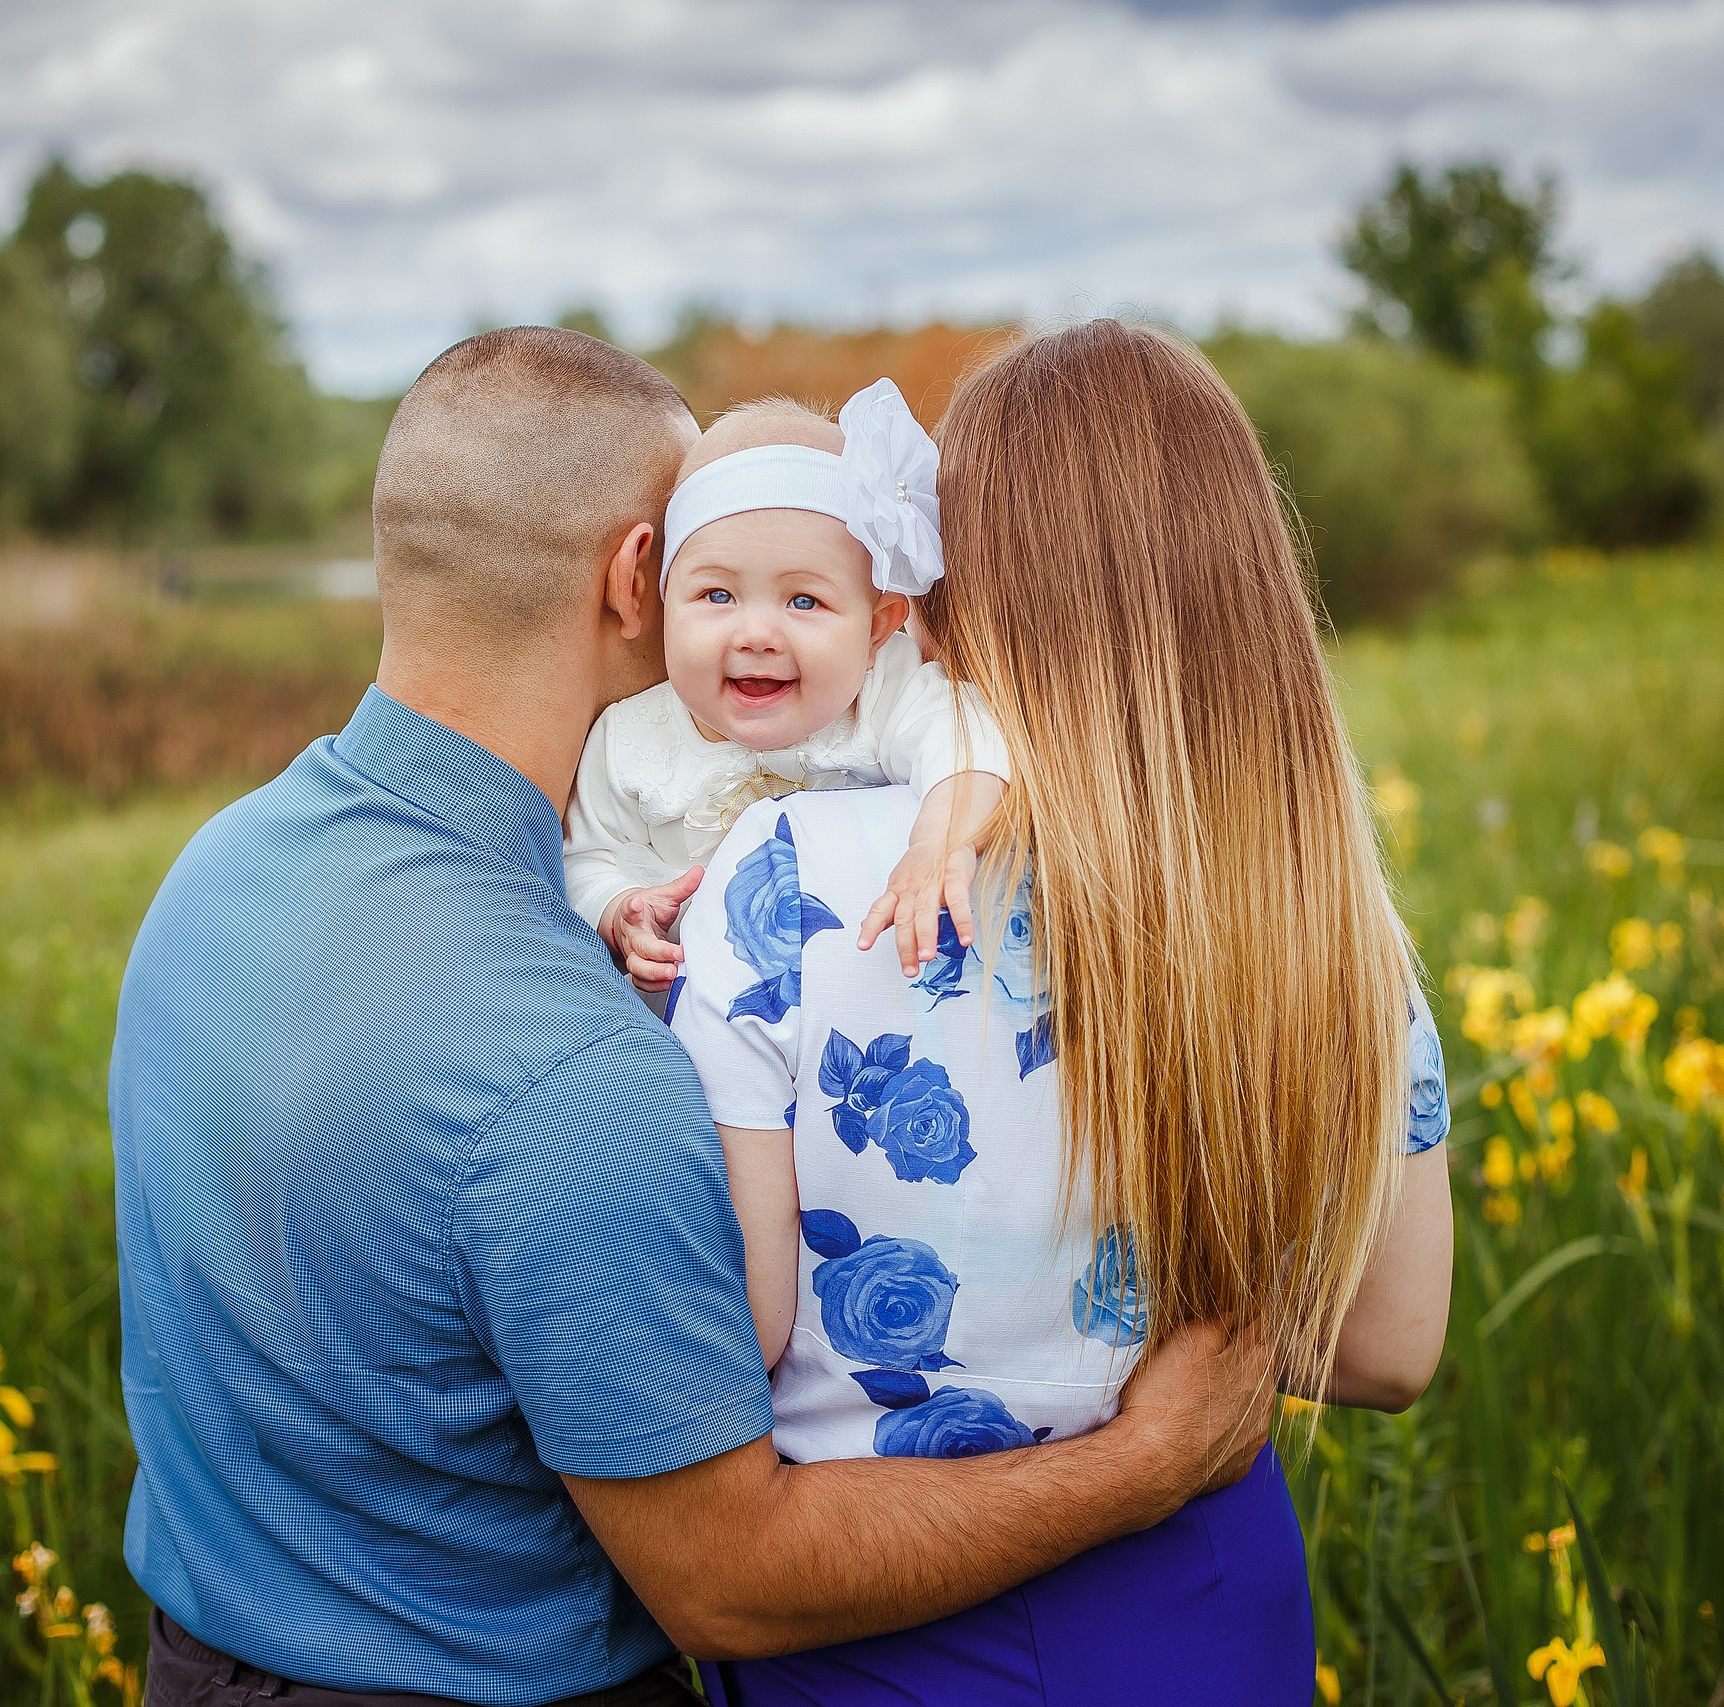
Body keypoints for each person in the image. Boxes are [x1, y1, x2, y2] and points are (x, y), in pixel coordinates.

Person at [109, 325, 1278, 1707]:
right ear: (638, 578)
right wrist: (1144, 1462)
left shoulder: (213, 871)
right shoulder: (567, 1064)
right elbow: (733, 1577)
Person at [667, 320, 1457, 1705]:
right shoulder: (1335, 913)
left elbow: (733, 1337)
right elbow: (1390, 1346)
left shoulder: (784, 878)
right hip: (1206, 1611)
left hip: (877, 1622)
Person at [564, 384, 1008, 998]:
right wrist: (618, 910)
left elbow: (969, 742)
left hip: (864, 995)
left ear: (877, 628)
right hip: (694, 1034)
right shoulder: (628, 739)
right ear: (665, 601)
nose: (757, 634)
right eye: (716, 595)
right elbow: (587, 858)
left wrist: (940, 840)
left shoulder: (880, 695)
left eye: (805, 600)